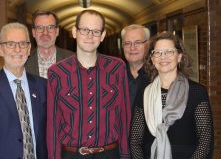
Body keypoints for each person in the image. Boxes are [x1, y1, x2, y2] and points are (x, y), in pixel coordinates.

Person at [47, 9, 131, 159]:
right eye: (85, 30)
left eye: (96, 31)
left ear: (103, 35)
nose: (90, 36)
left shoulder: (117, 68)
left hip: (109, 154)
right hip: (72, 155)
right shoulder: (57, 72)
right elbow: (53, 123)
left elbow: (124, 115)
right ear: (75, 32)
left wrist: (125, 154)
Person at [0, 22, 48, 159]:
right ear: (0, 49)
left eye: (23, 44)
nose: (17, 50)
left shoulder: (43, 86)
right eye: (10, 44)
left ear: (29, 49)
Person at [129, 31, 214, 159]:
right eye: (157, 53)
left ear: (179, 56)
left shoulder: (196, 92)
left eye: (169, 52)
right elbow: (135, 140)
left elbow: (205, 141)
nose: (163, 57)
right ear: (152, 59)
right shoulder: (144, 93)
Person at [25, 10, 73, 78]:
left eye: (50, 27)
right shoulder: (24, 61)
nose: (45, 33)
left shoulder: (73, 60)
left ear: (57, 31)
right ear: (33, 32)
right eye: (40, 28)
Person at [121, 24, 151, 114]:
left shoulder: (157, 76)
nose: (132, 48)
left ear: (147, 44)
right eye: (127, 43)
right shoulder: (114, 75)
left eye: (138, 43)